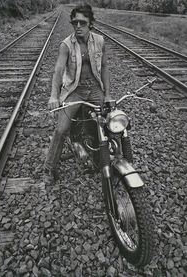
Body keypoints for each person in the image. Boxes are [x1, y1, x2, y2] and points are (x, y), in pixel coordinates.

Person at [44, 4, 111, 183]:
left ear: (91, 23)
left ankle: (101, 160)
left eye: (83, 22)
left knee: (107, 125)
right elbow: (58, 71)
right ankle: (49, 168)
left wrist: (108, 94)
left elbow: (104, 67)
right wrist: (53, 96)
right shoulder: (66, 45)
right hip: (75, 91)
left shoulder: (100, 41)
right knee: (61, 129)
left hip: (95, 89)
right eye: (75, 23)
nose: (78, 26)